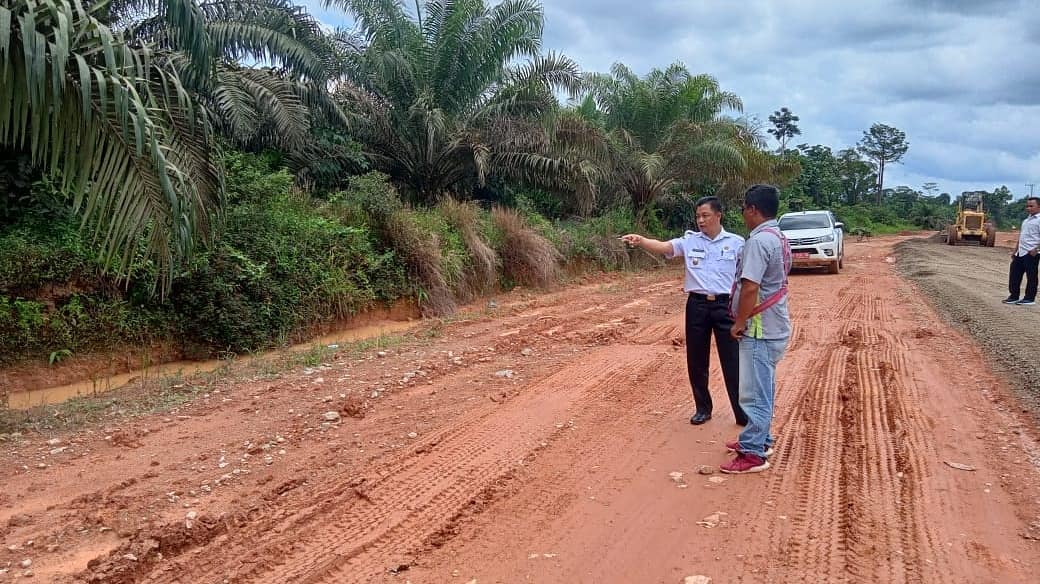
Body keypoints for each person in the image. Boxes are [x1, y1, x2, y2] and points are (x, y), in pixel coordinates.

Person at [621, 196, 747, 426]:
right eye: (698, 216)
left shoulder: (737, 243)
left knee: (733, 360)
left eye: (705, 215)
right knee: (696, 359)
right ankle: (702, 408)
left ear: (719, 215)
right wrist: (641, 240)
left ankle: (741, 412)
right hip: (697, 305)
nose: (700, 220)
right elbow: (665, 247)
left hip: (725, 306)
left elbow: (746, 278)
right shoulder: (689, 241)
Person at [721, 184, 792, 474]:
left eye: (744, 209)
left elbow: (750, 286)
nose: (743, 214)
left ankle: (753, 453)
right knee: (764, 387)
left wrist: (740, 322)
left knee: (753, 393)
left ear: (752, 209)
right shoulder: (778, 236)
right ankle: (758, 438)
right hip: (774, 325)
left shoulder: (759, 241)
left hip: (760, 330)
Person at [1004, 197, 1040, 306]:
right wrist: (1015, 250)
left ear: (1039, 206)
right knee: (1014, 273)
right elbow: (1022, 237)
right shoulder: (1026, 220)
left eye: (1031, 206)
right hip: (1020, 252)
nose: (1028, 208)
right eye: (1027, 206)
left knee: (1031, 276)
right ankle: (1014, 296)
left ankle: (1029, 298)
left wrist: (1037, 249)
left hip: (1031, 253)